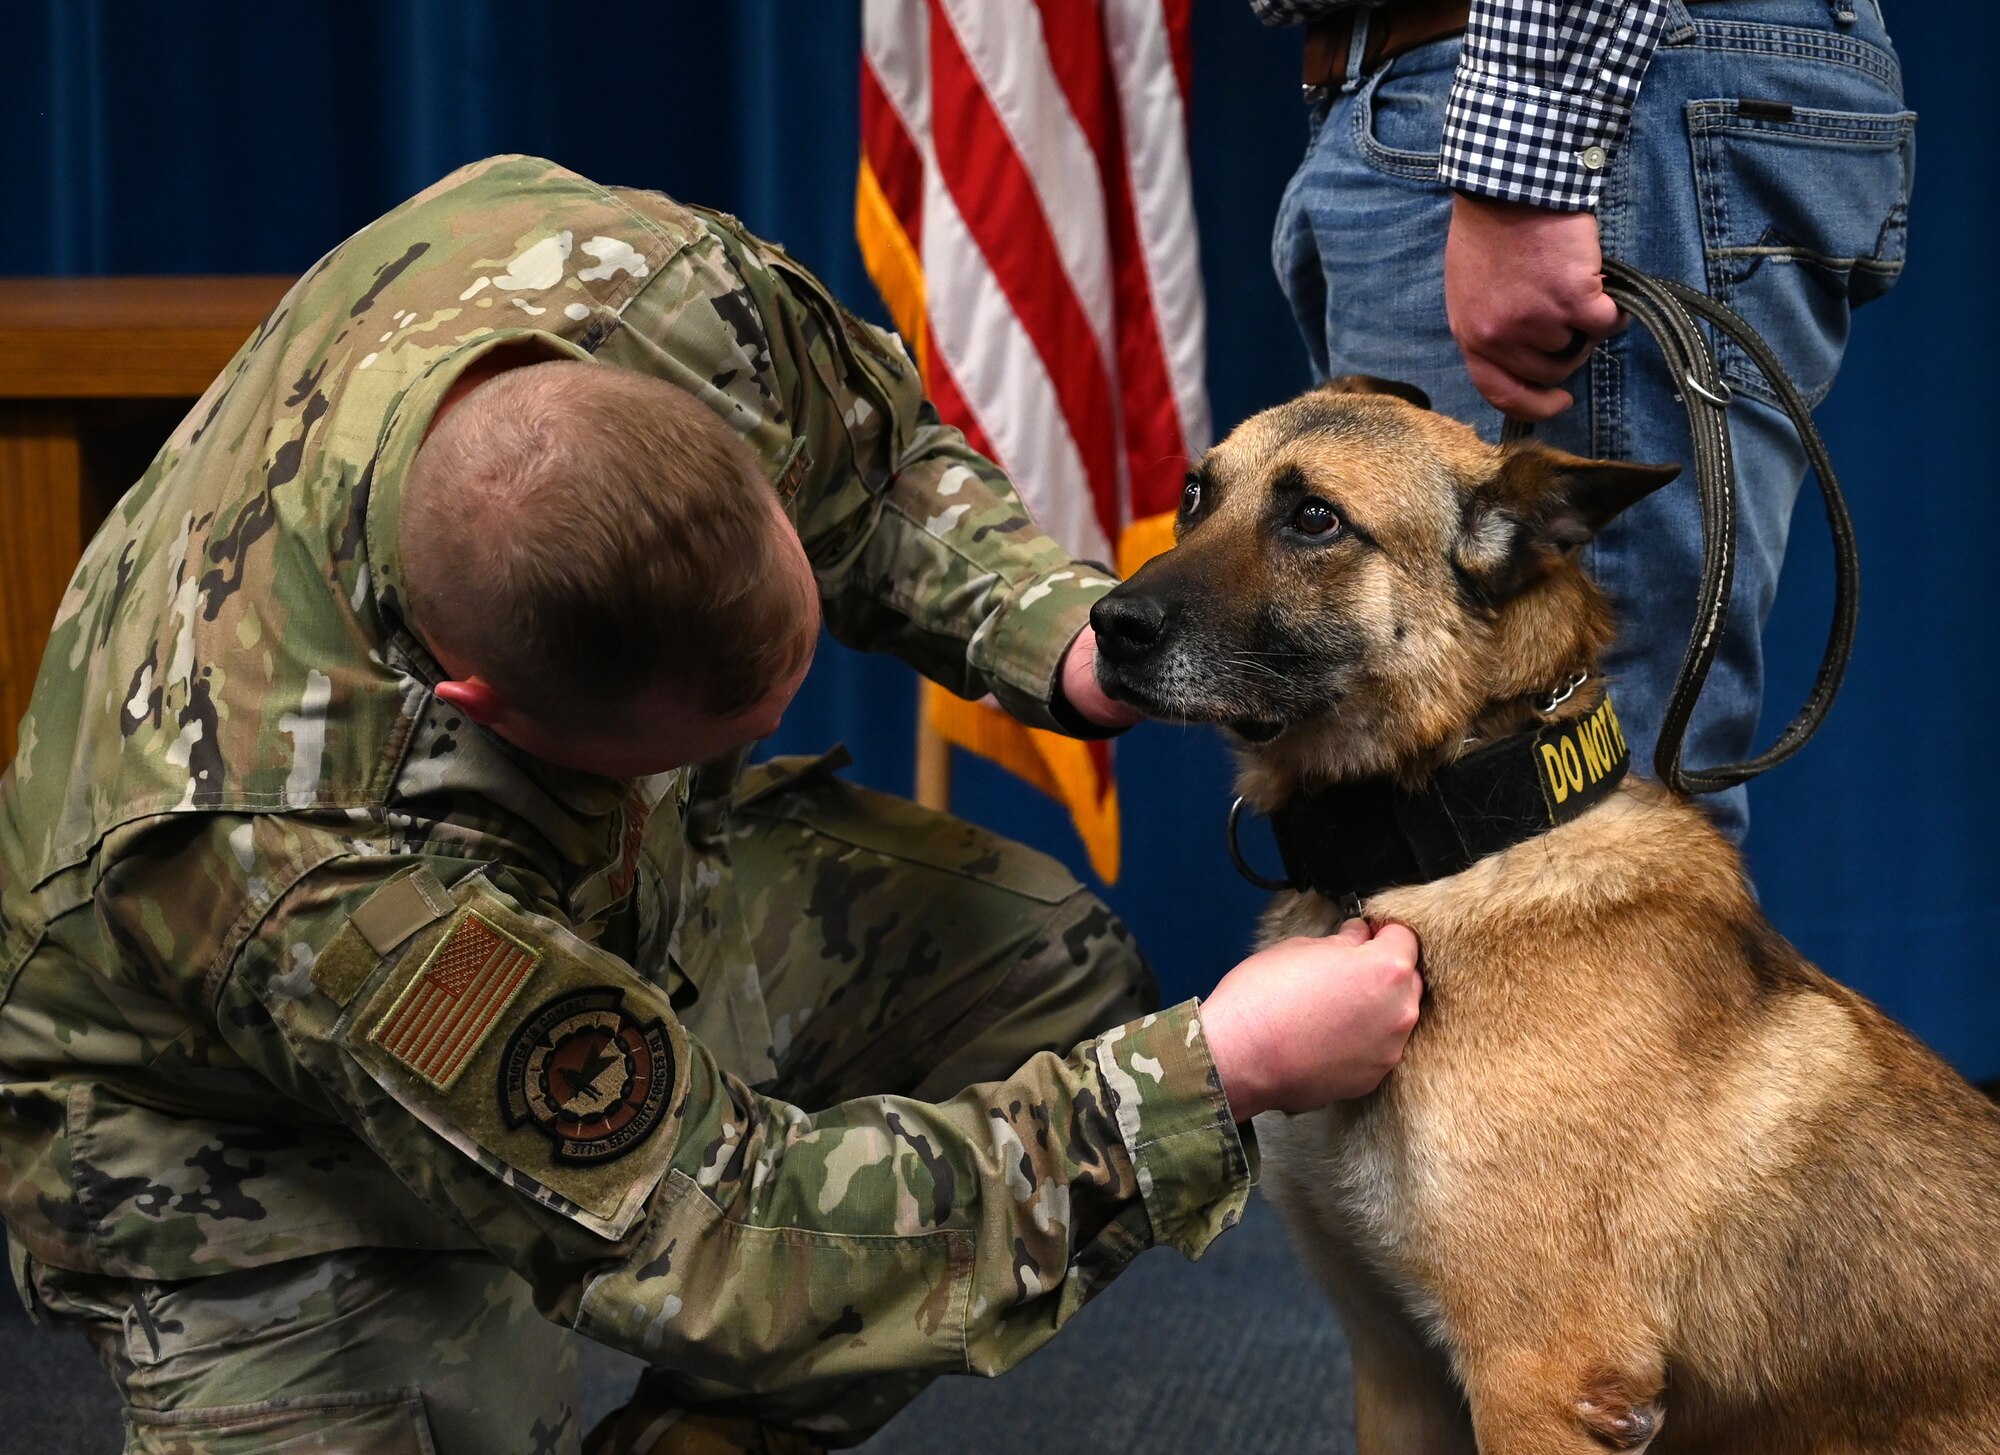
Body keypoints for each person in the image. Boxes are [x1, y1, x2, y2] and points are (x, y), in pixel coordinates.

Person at [0, 155, 1422, 1455]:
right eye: (719, 726)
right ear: (491, 705)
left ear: (739, 452)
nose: (787, 718)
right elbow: (724, 1242)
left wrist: (1044, 632)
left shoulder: (655, 300)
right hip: (236, 1124)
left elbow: (876, 483)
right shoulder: (300, 873)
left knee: (1038, 970)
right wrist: (1211, 1069)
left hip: (602, 873)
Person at [1259, 0, 1914, 841]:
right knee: (1420, 837)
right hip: (1424, 87)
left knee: (1593, 842)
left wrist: (1525, 172)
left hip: (1576, 83)